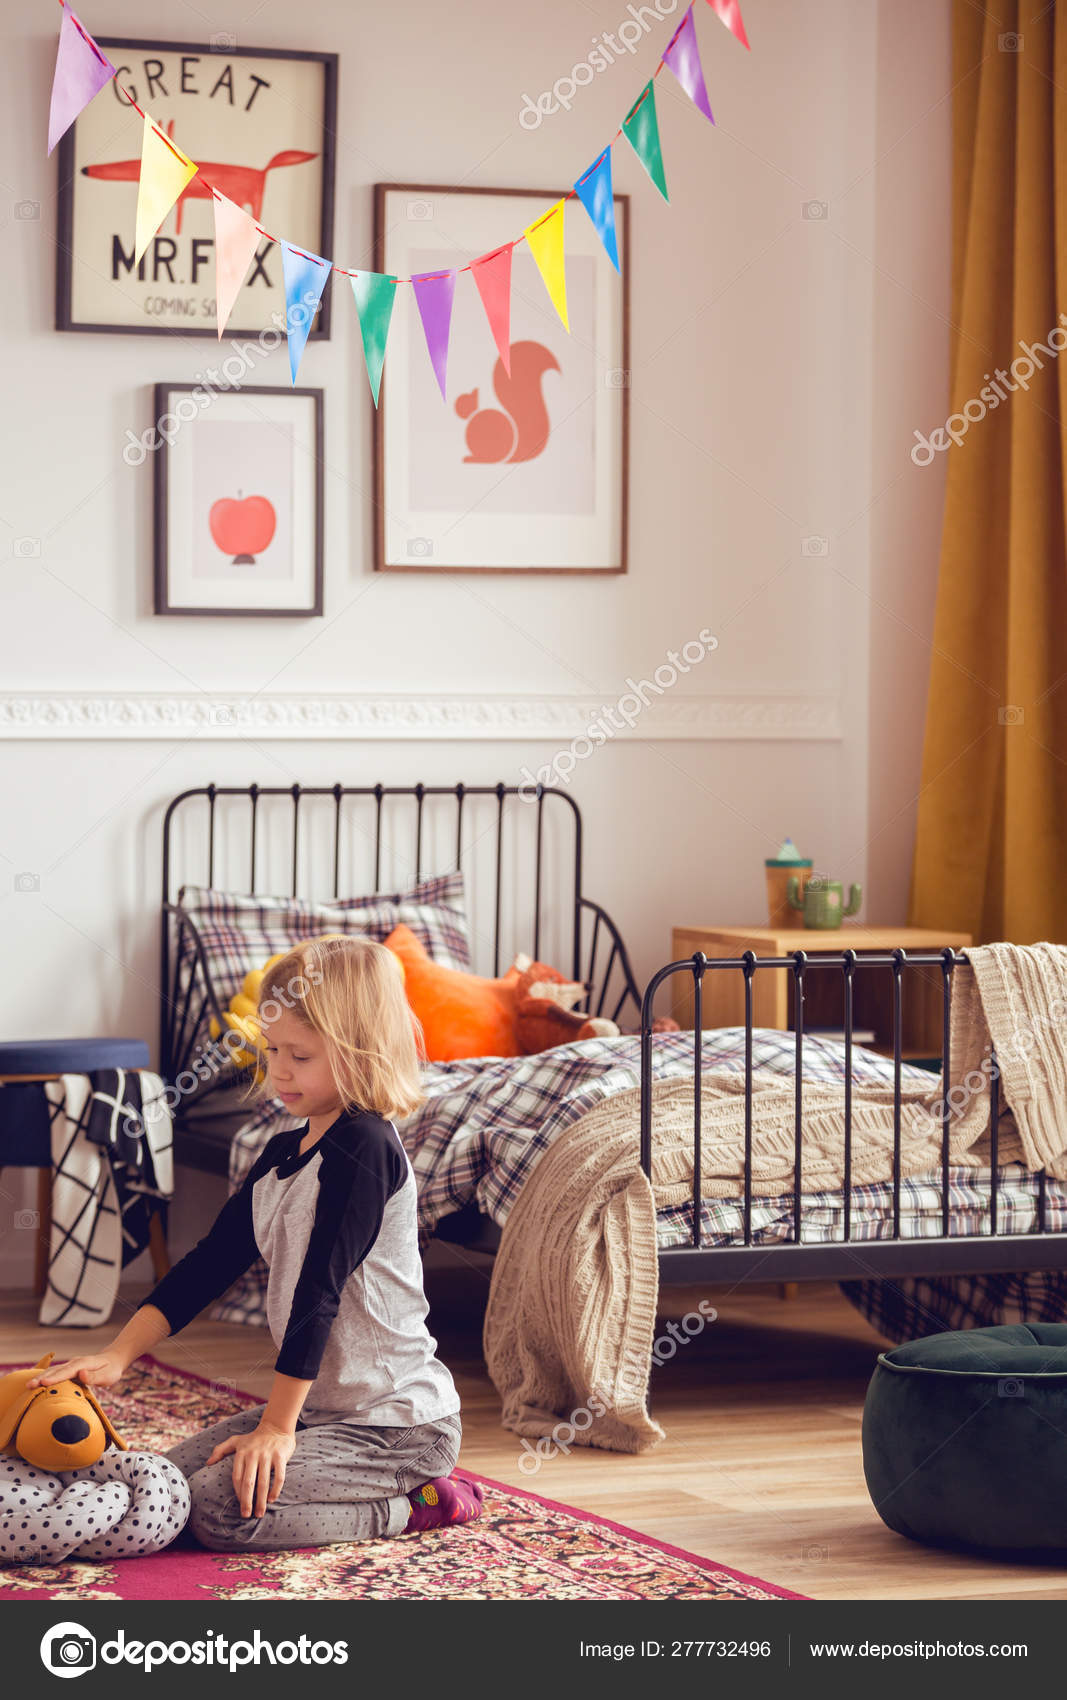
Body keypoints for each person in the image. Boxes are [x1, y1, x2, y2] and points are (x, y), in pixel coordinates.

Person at [27, 935, 483, 1552]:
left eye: (301, 1054)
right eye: (272, 1051)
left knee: (218, 1510)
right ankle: (310, 1456)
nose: (280, 1071)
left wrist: (275, 1427)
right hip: (322, 1412)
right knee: (162, 1483)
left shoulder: (366, 1146)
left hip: (396, 1425)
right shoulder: (278, 1155)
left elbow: (319, 1289)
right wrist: (118, 1355)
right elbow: (210, 1264)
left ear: (360, 1050)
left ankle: (417, 1505)